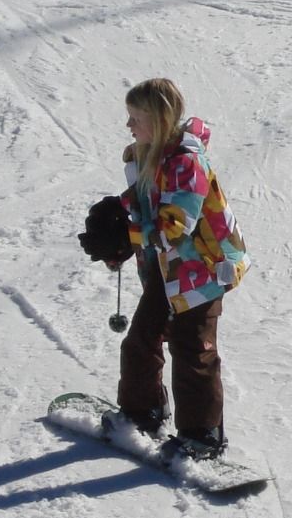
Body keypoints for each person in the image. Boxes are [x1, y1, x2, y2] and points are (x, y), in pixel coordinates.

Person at [106, 78, 250, 457]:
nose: (129, 125)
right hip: (167, 269)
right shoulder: (144, 155)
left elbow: (174, 226)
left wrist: (128, 233)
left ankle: (203, 435)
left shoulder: (187, 162)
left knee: (193, 350)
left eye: (136, 117)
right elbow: (145, 208)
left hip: (203, 269)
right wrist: (115, 224)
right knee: (141, 340)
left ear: (158, 119)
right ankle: (143, 411)